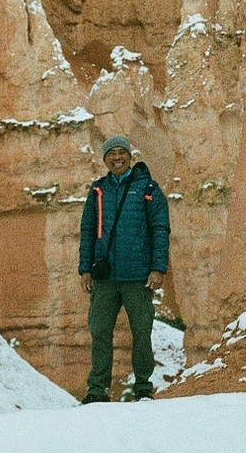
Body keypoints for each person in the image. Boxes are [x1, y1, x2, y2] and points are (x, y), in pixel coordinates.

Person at [78, 134, 170, 404]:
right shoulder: (98, 190)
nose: (117, 158)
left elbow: (160, 229)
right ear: (104, 159)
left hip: (138, 276)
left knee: (141, 332)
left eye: (121, 152)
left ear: (130, 156)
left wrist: (158, 268)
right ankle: (97, 391)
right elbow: (87, 231)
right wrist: (85, 269)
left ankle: (143, 388)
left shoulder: (148, 188)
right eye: (111, 153)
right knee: (99, 332)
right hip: (104, 276)